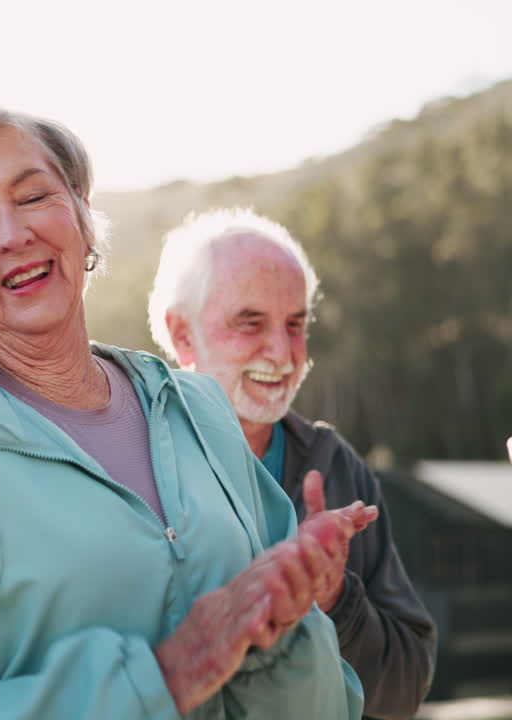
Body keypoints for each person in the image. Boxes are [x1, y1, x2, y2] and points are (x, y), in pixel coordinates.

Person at [0, 105, 377, 720]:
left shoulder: (199, 407)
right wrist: (162, 678)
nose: (12, 234)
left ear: (84, 222)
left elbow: (327, 701)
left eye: (35, 196)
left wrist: (288, 631)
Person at [148, 208, 437, 719]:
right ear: (183, 334)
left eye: (296, 324)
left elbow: (408, 686)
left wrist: (334, 598)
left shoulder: (338, 470)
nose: (282, 352)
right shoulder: (131, 459)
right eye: (250, 322)